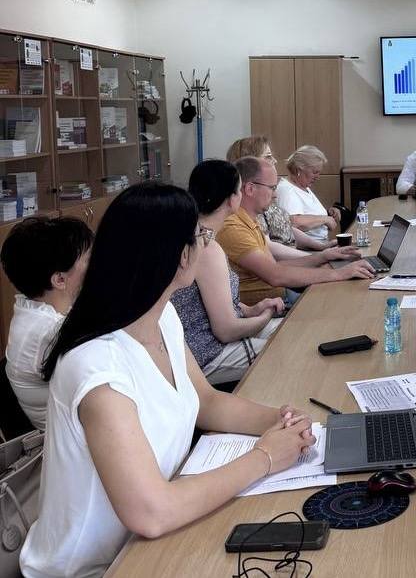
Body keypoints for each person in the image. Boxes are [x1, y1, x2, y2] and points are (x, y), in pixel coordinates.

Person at [20, 183, 316, 578]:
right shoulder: (96, 366)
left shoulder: (161, 318)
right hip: (97, 568)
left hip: (152, 542)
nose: (208, 244)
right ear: (180, 256)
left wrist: (279, 420)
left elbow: (207, 402)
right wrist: (265, 457)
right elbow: (152, 512)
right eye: (202, 235)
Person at [172, 160, 286, 385]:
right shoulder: (206, 247)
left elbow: (210, 302)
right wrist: (264, 317)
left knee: (290, 331)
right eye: (239, 190)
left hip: (204, 344)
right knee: (285, 350)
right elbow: (226, 330)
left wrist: (252, 309)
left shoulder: (197, 234)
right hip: (207, 354)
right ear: (232, 199)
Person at [218, 156, 374, 305]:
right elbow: (275, 275)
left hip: (281, 295)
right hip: (273, 303)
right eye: (272, 188)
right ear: (250, 189)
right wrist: (339, 273)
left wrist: (323, 256)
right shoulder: (233, 227)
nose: (275, 195)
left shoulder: (250, 219)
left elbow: (275, 266)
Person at [0, 217, 92, 428]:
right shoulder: (48, 331)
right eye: (89, 259)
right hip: (64, 437)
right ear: (59, 279)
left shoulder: (33, 305)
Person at [226, 135, 339, 252]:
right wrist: (317, 256)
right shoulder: (247, 210)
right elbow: (270, 248)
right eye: (268, 157)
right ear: (249, 163)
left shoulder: (261, 203)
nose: (275, 161)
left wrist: (321, 247)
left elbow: (288, 229)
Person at [275, 145, 340, 239]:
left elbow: (306, 213)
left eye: (319, 173)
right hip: (306, 246)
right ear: (298, 170)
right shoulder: (287, 190)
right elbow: (294, 222)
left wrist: (328, 213)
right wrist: (325, 219)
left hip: (319, 243)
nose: (317, 177)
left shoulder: (302, 186)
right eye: (315, 172)